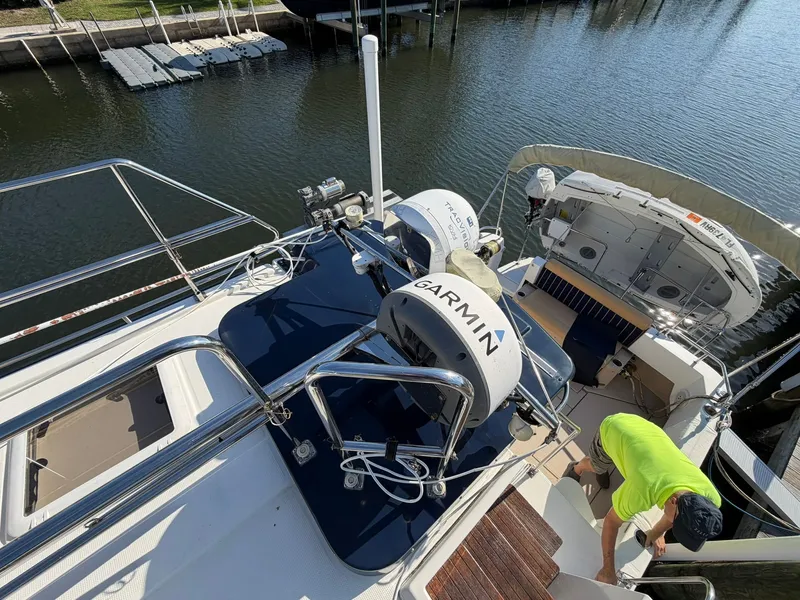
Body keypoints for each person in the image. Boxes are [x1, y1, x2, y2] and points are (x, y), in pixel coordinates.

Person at [565, 413, 723, 585]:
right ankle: (578, 468)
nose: (672, 526)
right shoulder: (643, 488)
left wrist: (656, 532)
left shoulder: (711, 497)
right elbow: (611, 522)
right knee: (596, 466)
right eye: (676, 523)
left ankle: (604, 468)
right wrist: (608, 570)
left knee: (614, 466)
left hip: (648, 434)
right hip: (616, 428)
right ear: (673, 501)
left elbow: (674, 515)